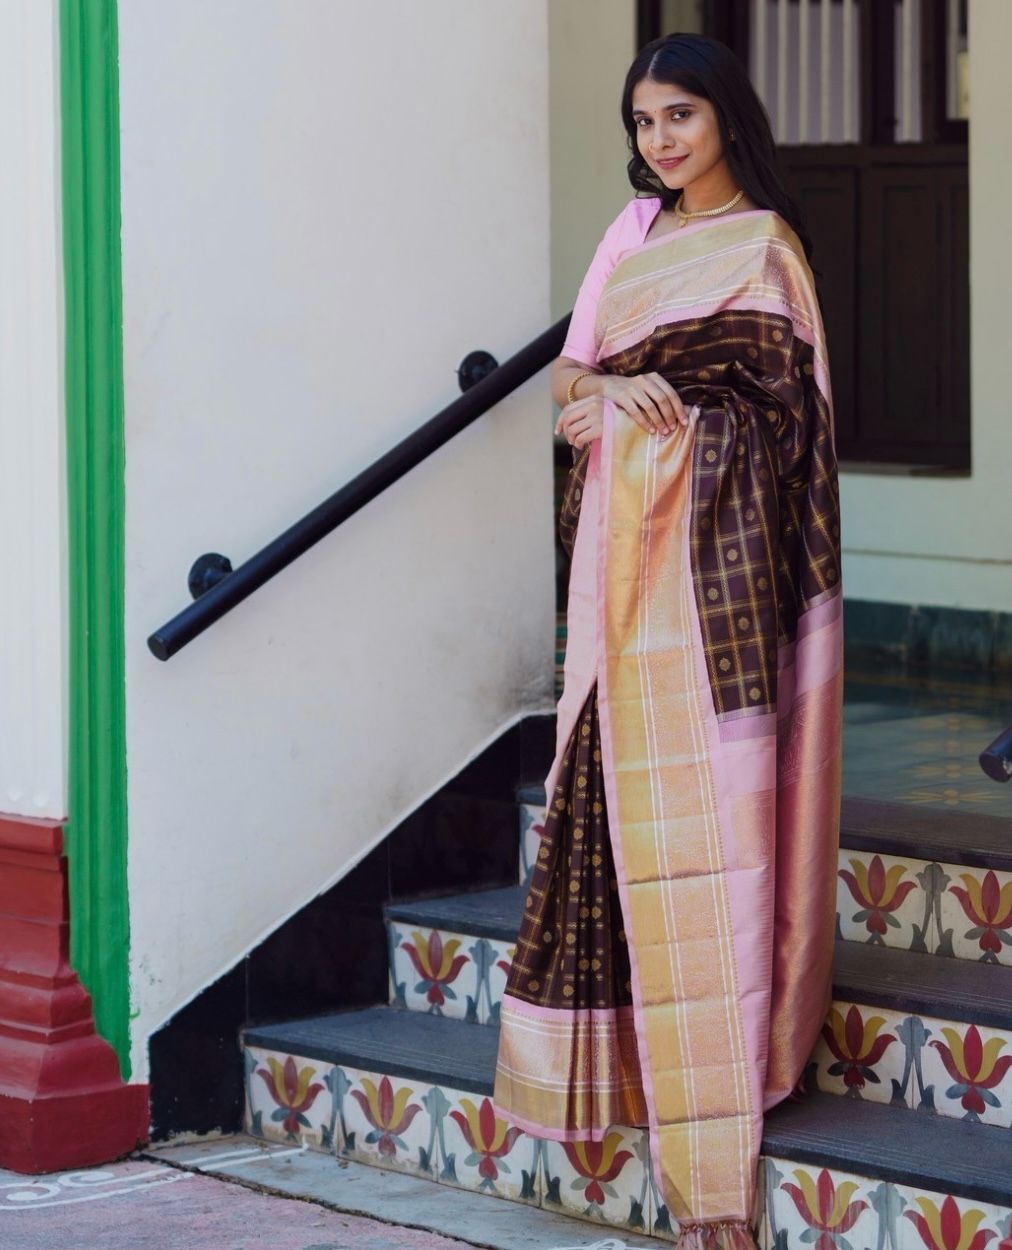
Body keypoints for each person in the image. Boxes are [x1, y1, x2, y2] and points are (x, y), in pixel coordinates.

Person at [492, 32, 843, 1250]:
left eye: (680, 116)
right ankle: (619, 1071)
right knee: (602, 795)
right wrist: (610, 399)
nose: (660, 142)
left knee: (712, 830)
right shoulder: (627, 236)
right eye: (643, 122)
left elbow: (782, 431)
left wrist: (680, 409)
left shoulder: (765, 251)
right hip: (616, 576)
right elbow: (572, 383)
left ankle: (713, 1122)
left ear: (725, 118)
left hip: (715, 596)